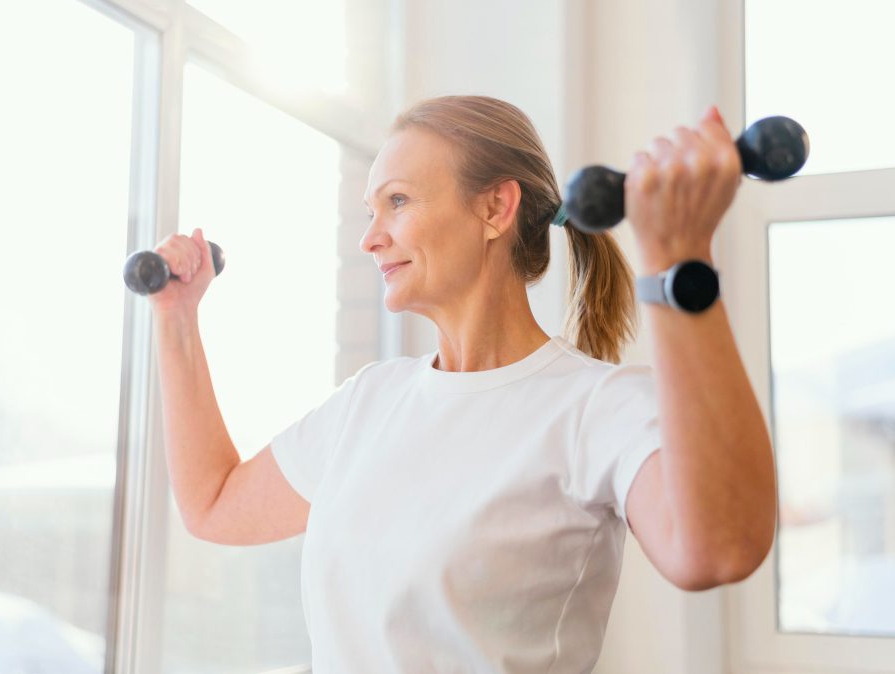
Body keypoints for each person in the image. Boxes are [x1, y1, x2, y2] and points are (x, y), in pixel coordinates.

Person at [148, 95, 777, 673]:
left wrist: (677, 258)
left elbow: (718, 549)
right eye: (372, 211)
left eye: (398, 201)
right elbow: (214, 504)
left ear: (495, 208)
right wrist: (177, 320)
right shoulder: (369, 402)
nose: (370, 238)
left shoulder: (595, 408)